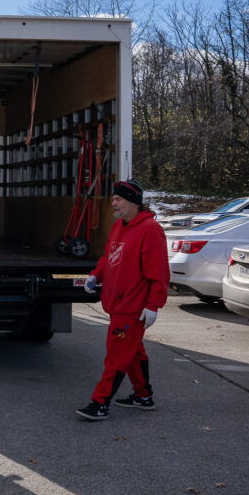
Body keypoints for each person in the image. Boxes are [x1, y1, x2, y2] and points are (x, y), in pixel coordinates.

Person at [76, 179, 169, 421]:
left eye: (118, 199)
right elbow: (108, 256)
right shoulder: (119, 226)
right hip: (117, 304)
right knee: (133, 352)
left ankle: (100, 403)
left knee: (117, 355)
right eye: (113, 199)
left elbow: (158, 273)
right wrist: (95, 275)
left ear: (133, 202)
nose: (113, 204)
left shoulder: (150, 229)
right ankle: (143, 396)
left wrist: (153, 305)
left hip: (133, 308)